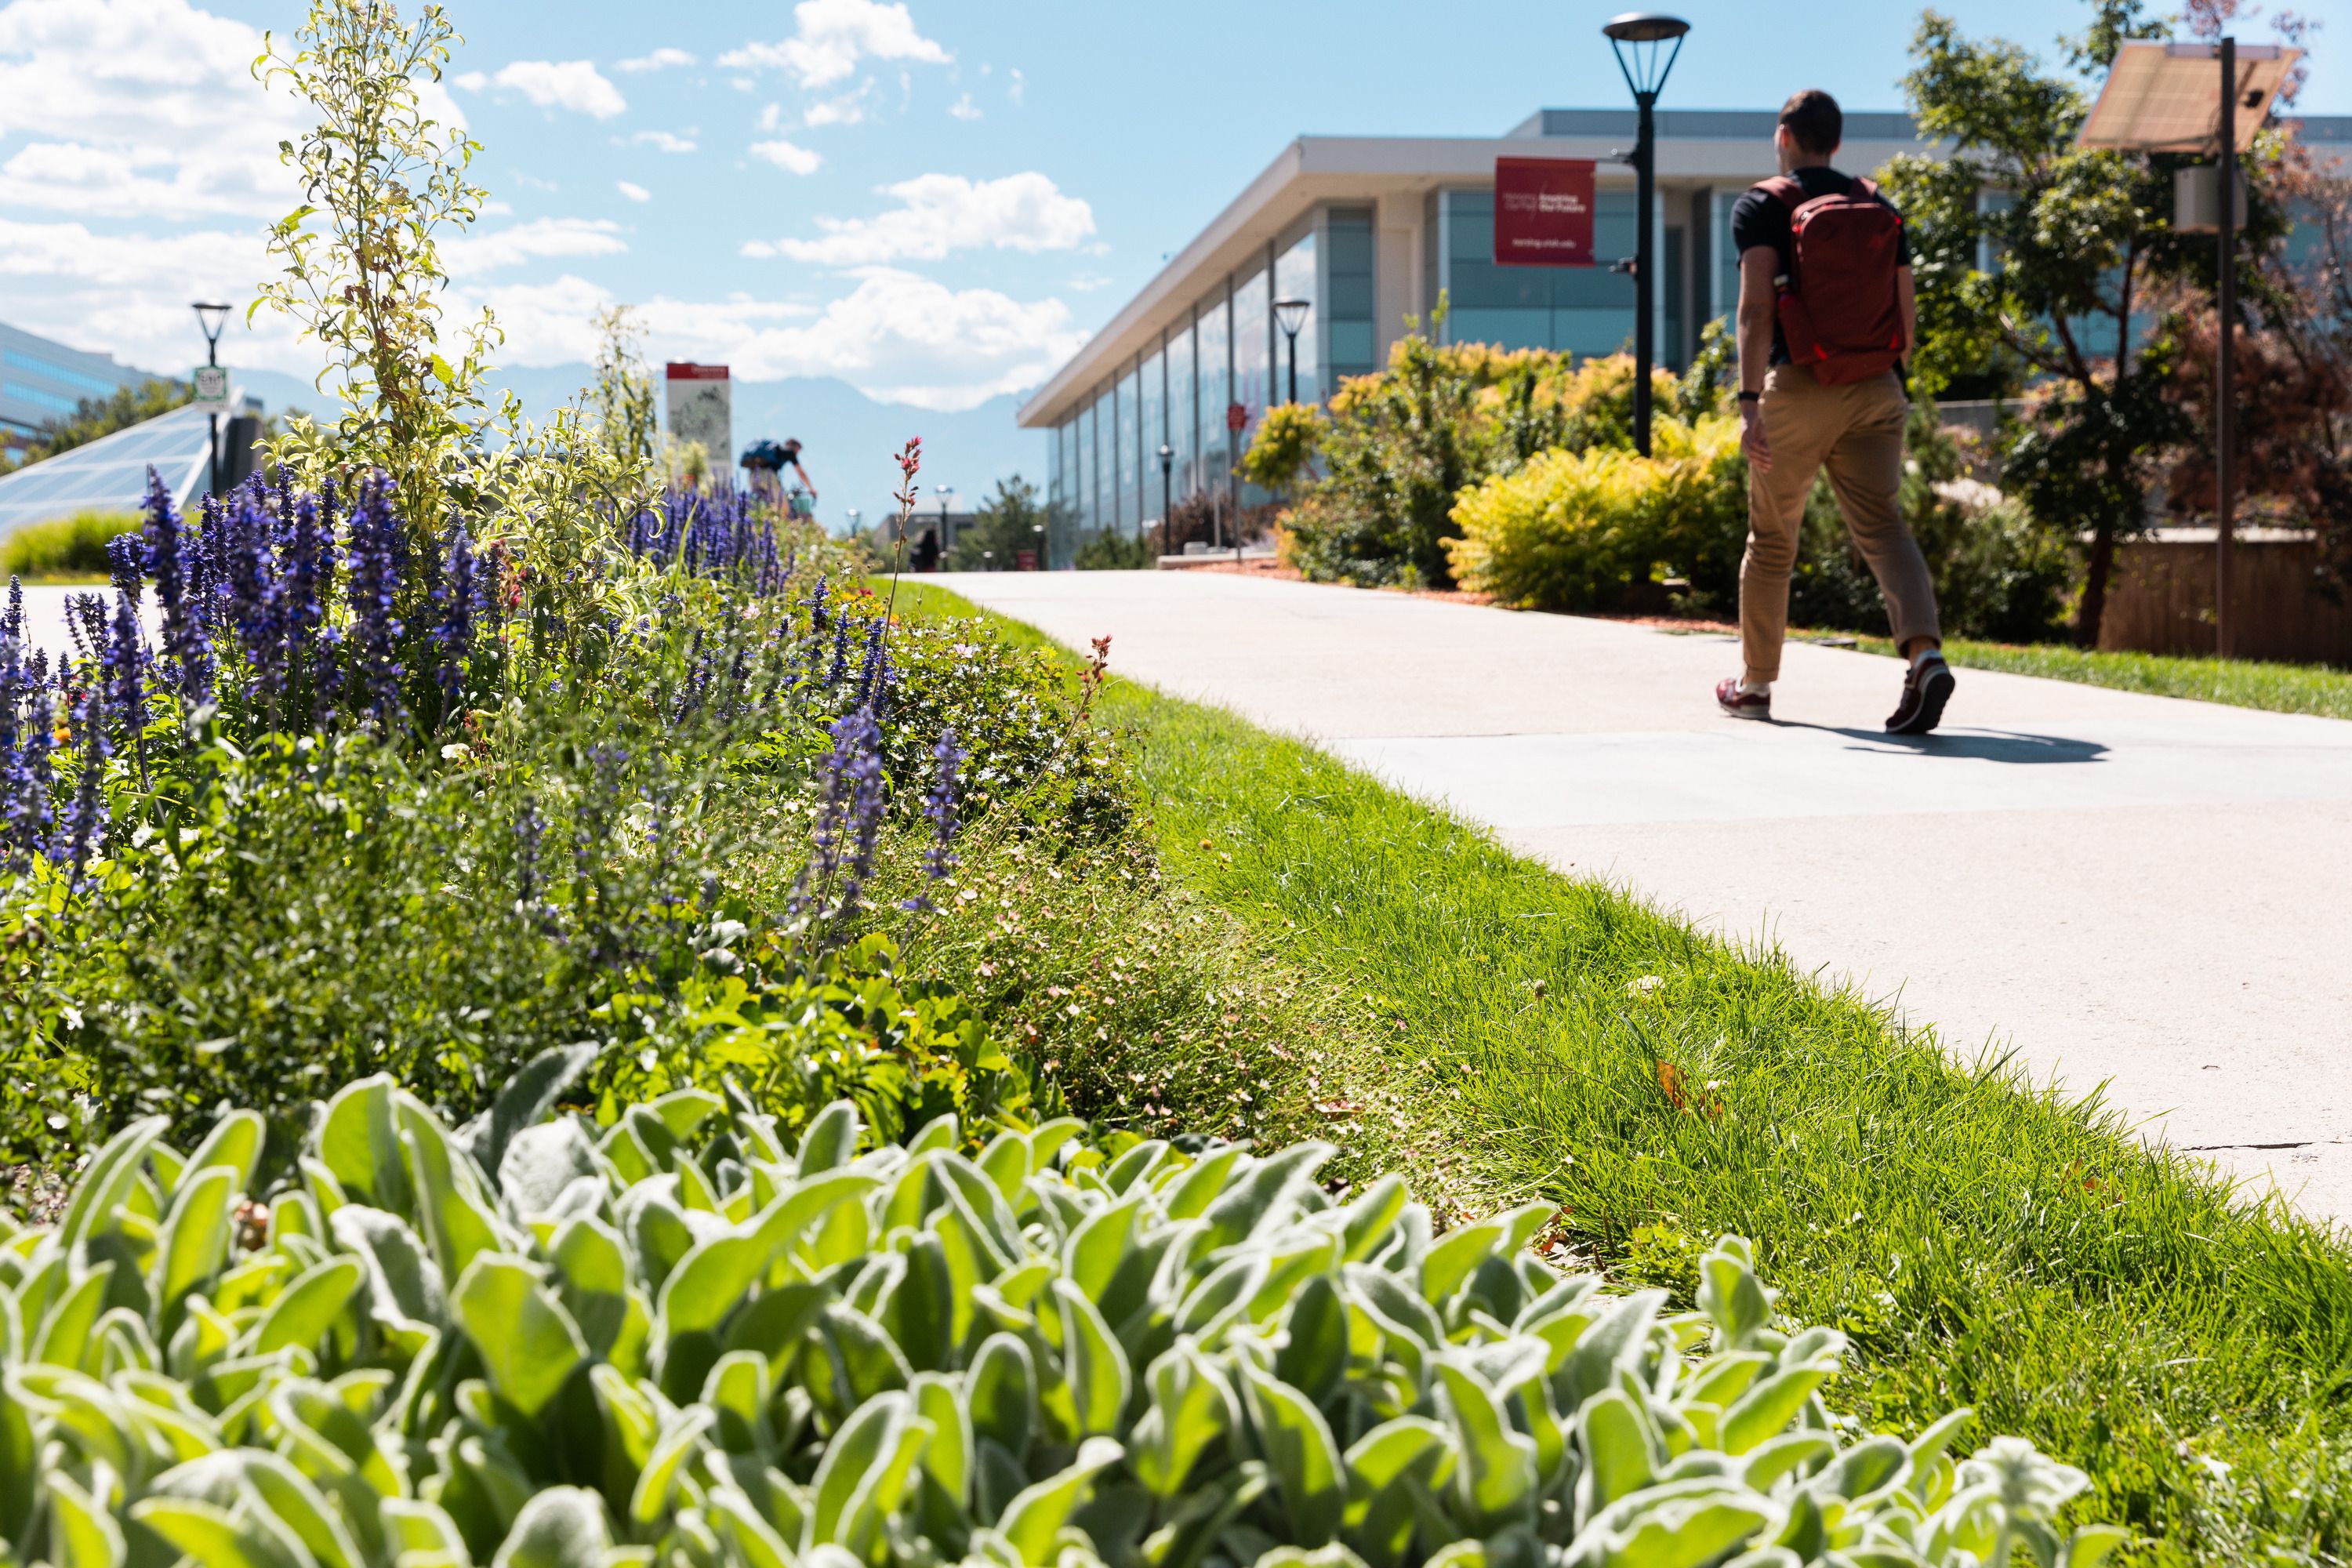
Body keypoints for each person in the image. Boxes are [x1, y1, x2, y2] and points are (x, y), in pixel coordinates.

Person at [1718, 88, 1955, 735]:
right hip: (1878, 386)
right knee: (1883, 526)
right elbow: (1905, 313)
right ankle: (1925, 654)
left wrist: (1748, 405)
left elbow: (1754, 309)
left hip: (1799, 385)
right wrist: (1889, 380)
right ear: (1839, 142)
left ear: (1785, 135)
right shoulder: (1878, 203)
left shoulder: (1762, 204)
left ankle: (1756, 685)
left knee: (1772, 541)